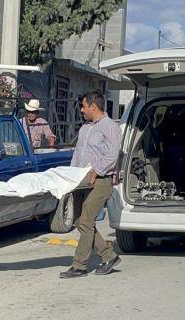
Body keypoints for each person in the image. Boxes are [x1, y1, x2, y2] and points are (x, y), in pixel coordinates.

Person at [60, 91, 122, 279]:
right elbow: (77, 153)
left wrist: (97, 171)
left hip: (100, 181)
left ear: (93, 107)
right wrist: (70, 176)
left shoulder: (110, 127)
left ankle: (79, 265)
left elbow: (112, 155)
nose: (81, 110)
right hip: (81, 181)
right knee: (79, 221)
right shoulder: (86, 128)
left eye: (84, 106)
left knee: (86, 221)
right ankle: (108, 255)